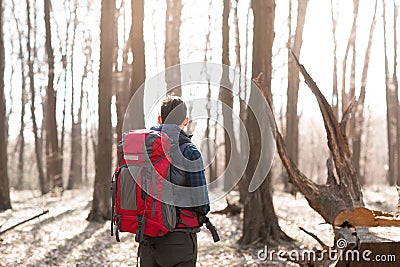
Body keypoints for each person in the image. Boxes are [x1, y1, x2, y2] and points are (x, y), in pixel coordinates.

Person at [138, 96, 211, 267]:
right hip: (180, 237)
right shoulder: (189, 151)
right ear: (185, 121)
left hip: (147, 238)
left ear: (159, 119)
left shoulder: (142, 149)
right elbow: (201, 202)